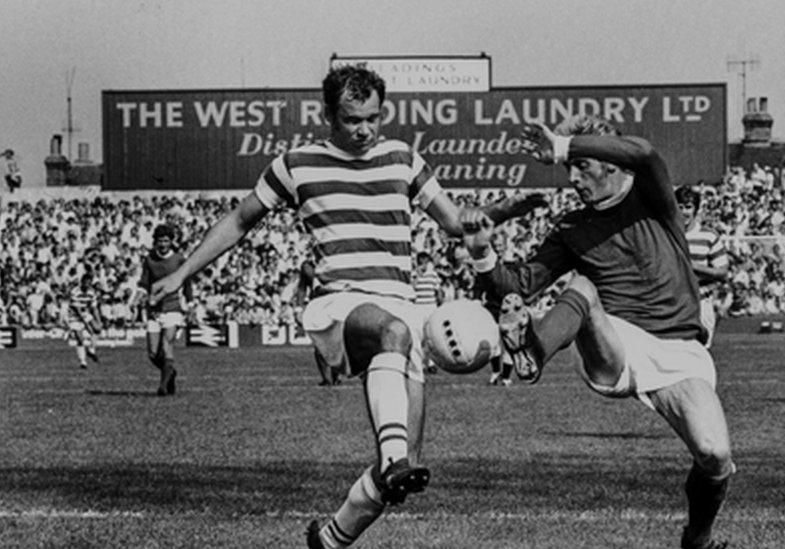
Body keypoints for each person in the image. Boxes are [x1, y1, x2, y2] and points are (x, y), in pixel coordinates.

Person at [149, 64, 541, 549]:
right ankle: (393, 455)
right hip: (342, 303)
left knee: (406, 465)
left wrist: (502, 211)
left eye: (374, 117)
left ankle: (331, 538)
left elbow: (457, 222)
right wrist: (181, 272)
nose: (365, 129)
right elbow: (238, 220)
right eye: (353, 119)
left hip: (401, 306)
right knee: (392, 339)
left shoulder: (403, 158)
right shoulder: (297, 164)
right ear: (328, 114)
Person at [461, 115, 733, 549]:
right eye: (569, 169)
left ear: (610, 162)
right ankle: (533, 352)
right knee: (583, 287)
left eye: (581, 166)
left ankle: (696, 539)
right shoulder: (571, 228)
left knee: (715, 455)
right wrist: (481, 255)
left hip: (680, 349)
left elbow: (642, 152)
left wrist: (563, 146)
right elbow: (519, 286)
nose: (572, 178)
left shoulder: (650, 194)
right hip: (614, 338)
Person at [139, 224, 191, 396]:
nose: (162, 244)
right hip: (154, 309)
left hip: (173, 307)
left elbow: (186, 280)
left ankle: (162, 387)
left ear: (171, 241)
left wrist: (189, 302)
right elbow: (144, 282)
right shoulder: (149, 259)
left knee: (166, 343)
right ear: (155, 241)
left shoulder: (178, 259)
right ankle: (170, 373)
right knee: (153, 353)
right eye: (160, 241)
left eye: (166, 241)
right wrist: (140, 296)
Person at [675, 185, 728, 349]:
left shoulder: (709, 236)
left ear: (696, 209)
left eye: (688, 207)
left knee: (701, 355)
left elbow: (722, 272)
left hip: (701, 302)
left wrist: (692, 266)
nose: (684, 212)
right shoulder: (666, 234)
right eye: (680, 206)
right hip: (673, 304)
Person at [295, 254, 345, 387]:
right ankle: (326, 379)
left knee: (337, 342)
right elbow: (302, 287)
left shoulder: (334, 262)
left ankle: (336, 376)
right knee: (319, 344)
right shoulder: (307, 266)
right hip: (317, 305)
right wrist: (298, 309)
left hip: (335, 302)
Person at [65, 274, 102, 369]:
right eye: (86, 283)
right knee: (80, 338)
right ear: (82, 282)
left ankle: (91, 350)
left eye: (89, 283)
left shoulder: (92, 292)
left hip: (85, 313)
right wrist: (87, 325)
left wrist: (99, 321)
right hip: (74, 316)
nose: (87, 285)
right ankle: (83, 362)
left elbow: (94, 308)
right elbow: (77, 310)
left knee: (97, 329)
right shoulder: (75, 291)